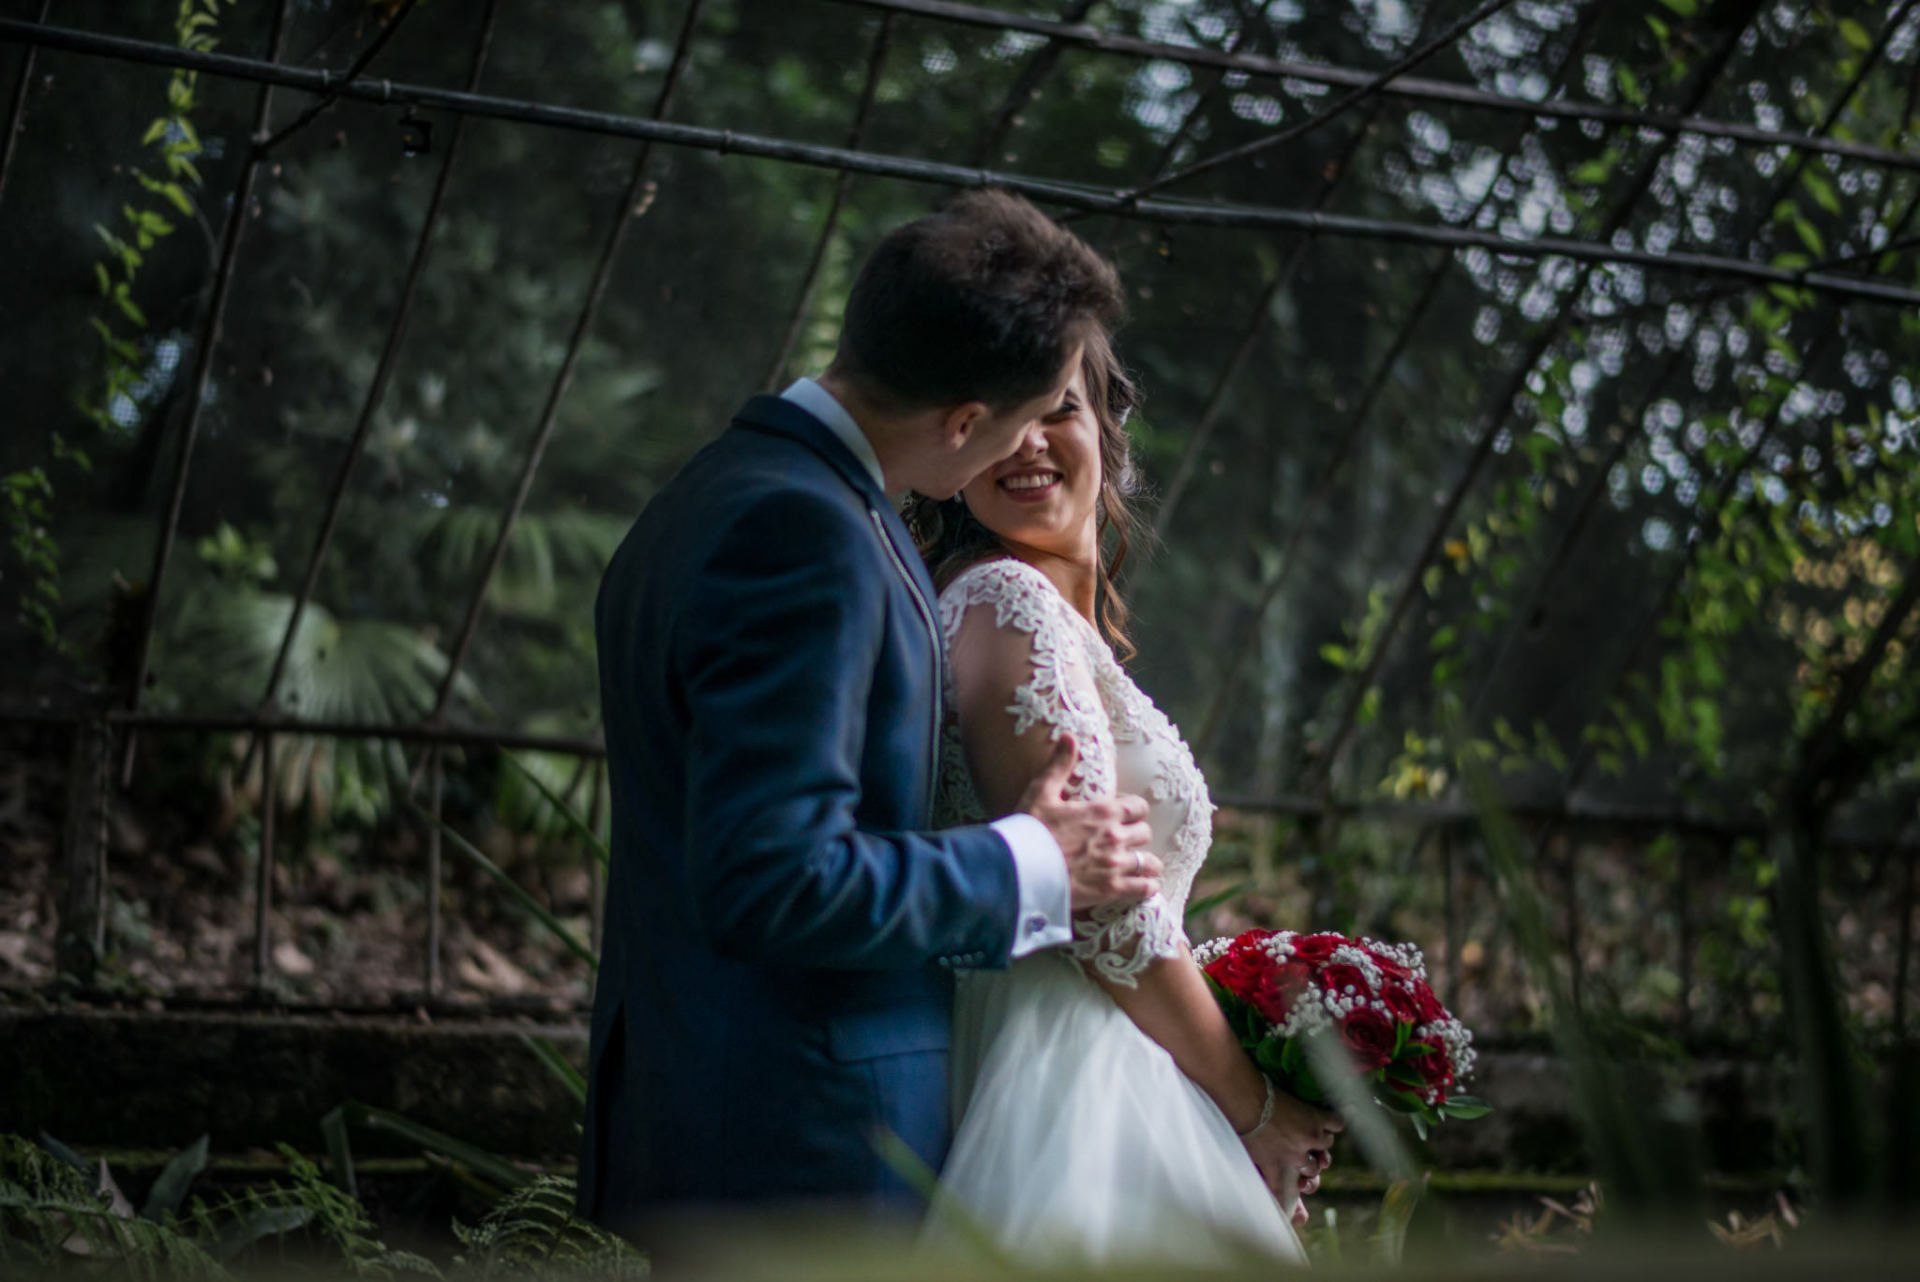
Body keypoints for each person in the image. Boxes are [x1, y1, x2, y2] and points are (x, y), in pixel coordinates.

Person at [576, 188, 1166, 1243]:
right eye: (1026, 418)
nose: (1025, 448)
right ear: (965, 422)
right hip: (800, 1146)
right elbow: (775, 877)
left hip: (719, 1116)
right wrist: (1032, 861)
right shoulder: (805, 534)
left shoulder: (717, 490)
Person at [908, 327, 1342, 1267]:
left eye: (1056, 408)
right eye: (999, 417)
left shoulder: (1050, 619)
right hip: (1067, 1068)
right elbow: (1102, 908)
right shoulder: (1005, 600)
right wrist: (1254, 1107)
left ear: (1107, 427)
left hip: (1121, 1047)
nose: (1027, 441)